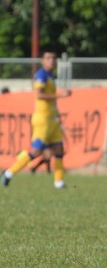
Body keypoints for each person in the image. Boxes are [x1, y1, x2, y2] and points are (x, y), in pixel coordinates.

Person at [2, 48, 71, 189]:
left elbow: (51, 101)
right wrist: (60, 95)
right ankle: (9, 173)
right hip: (43, 119)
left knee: (59, 149)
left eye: (53, 58)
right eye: (48, 58)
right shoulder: (41, 75)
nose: (51, 60)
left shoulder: (50, 76)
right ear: (43, 61)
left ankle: (59, 182)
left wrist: (58, 115)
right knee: (36, 151)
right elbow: (39, 95)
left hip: (52, 119)